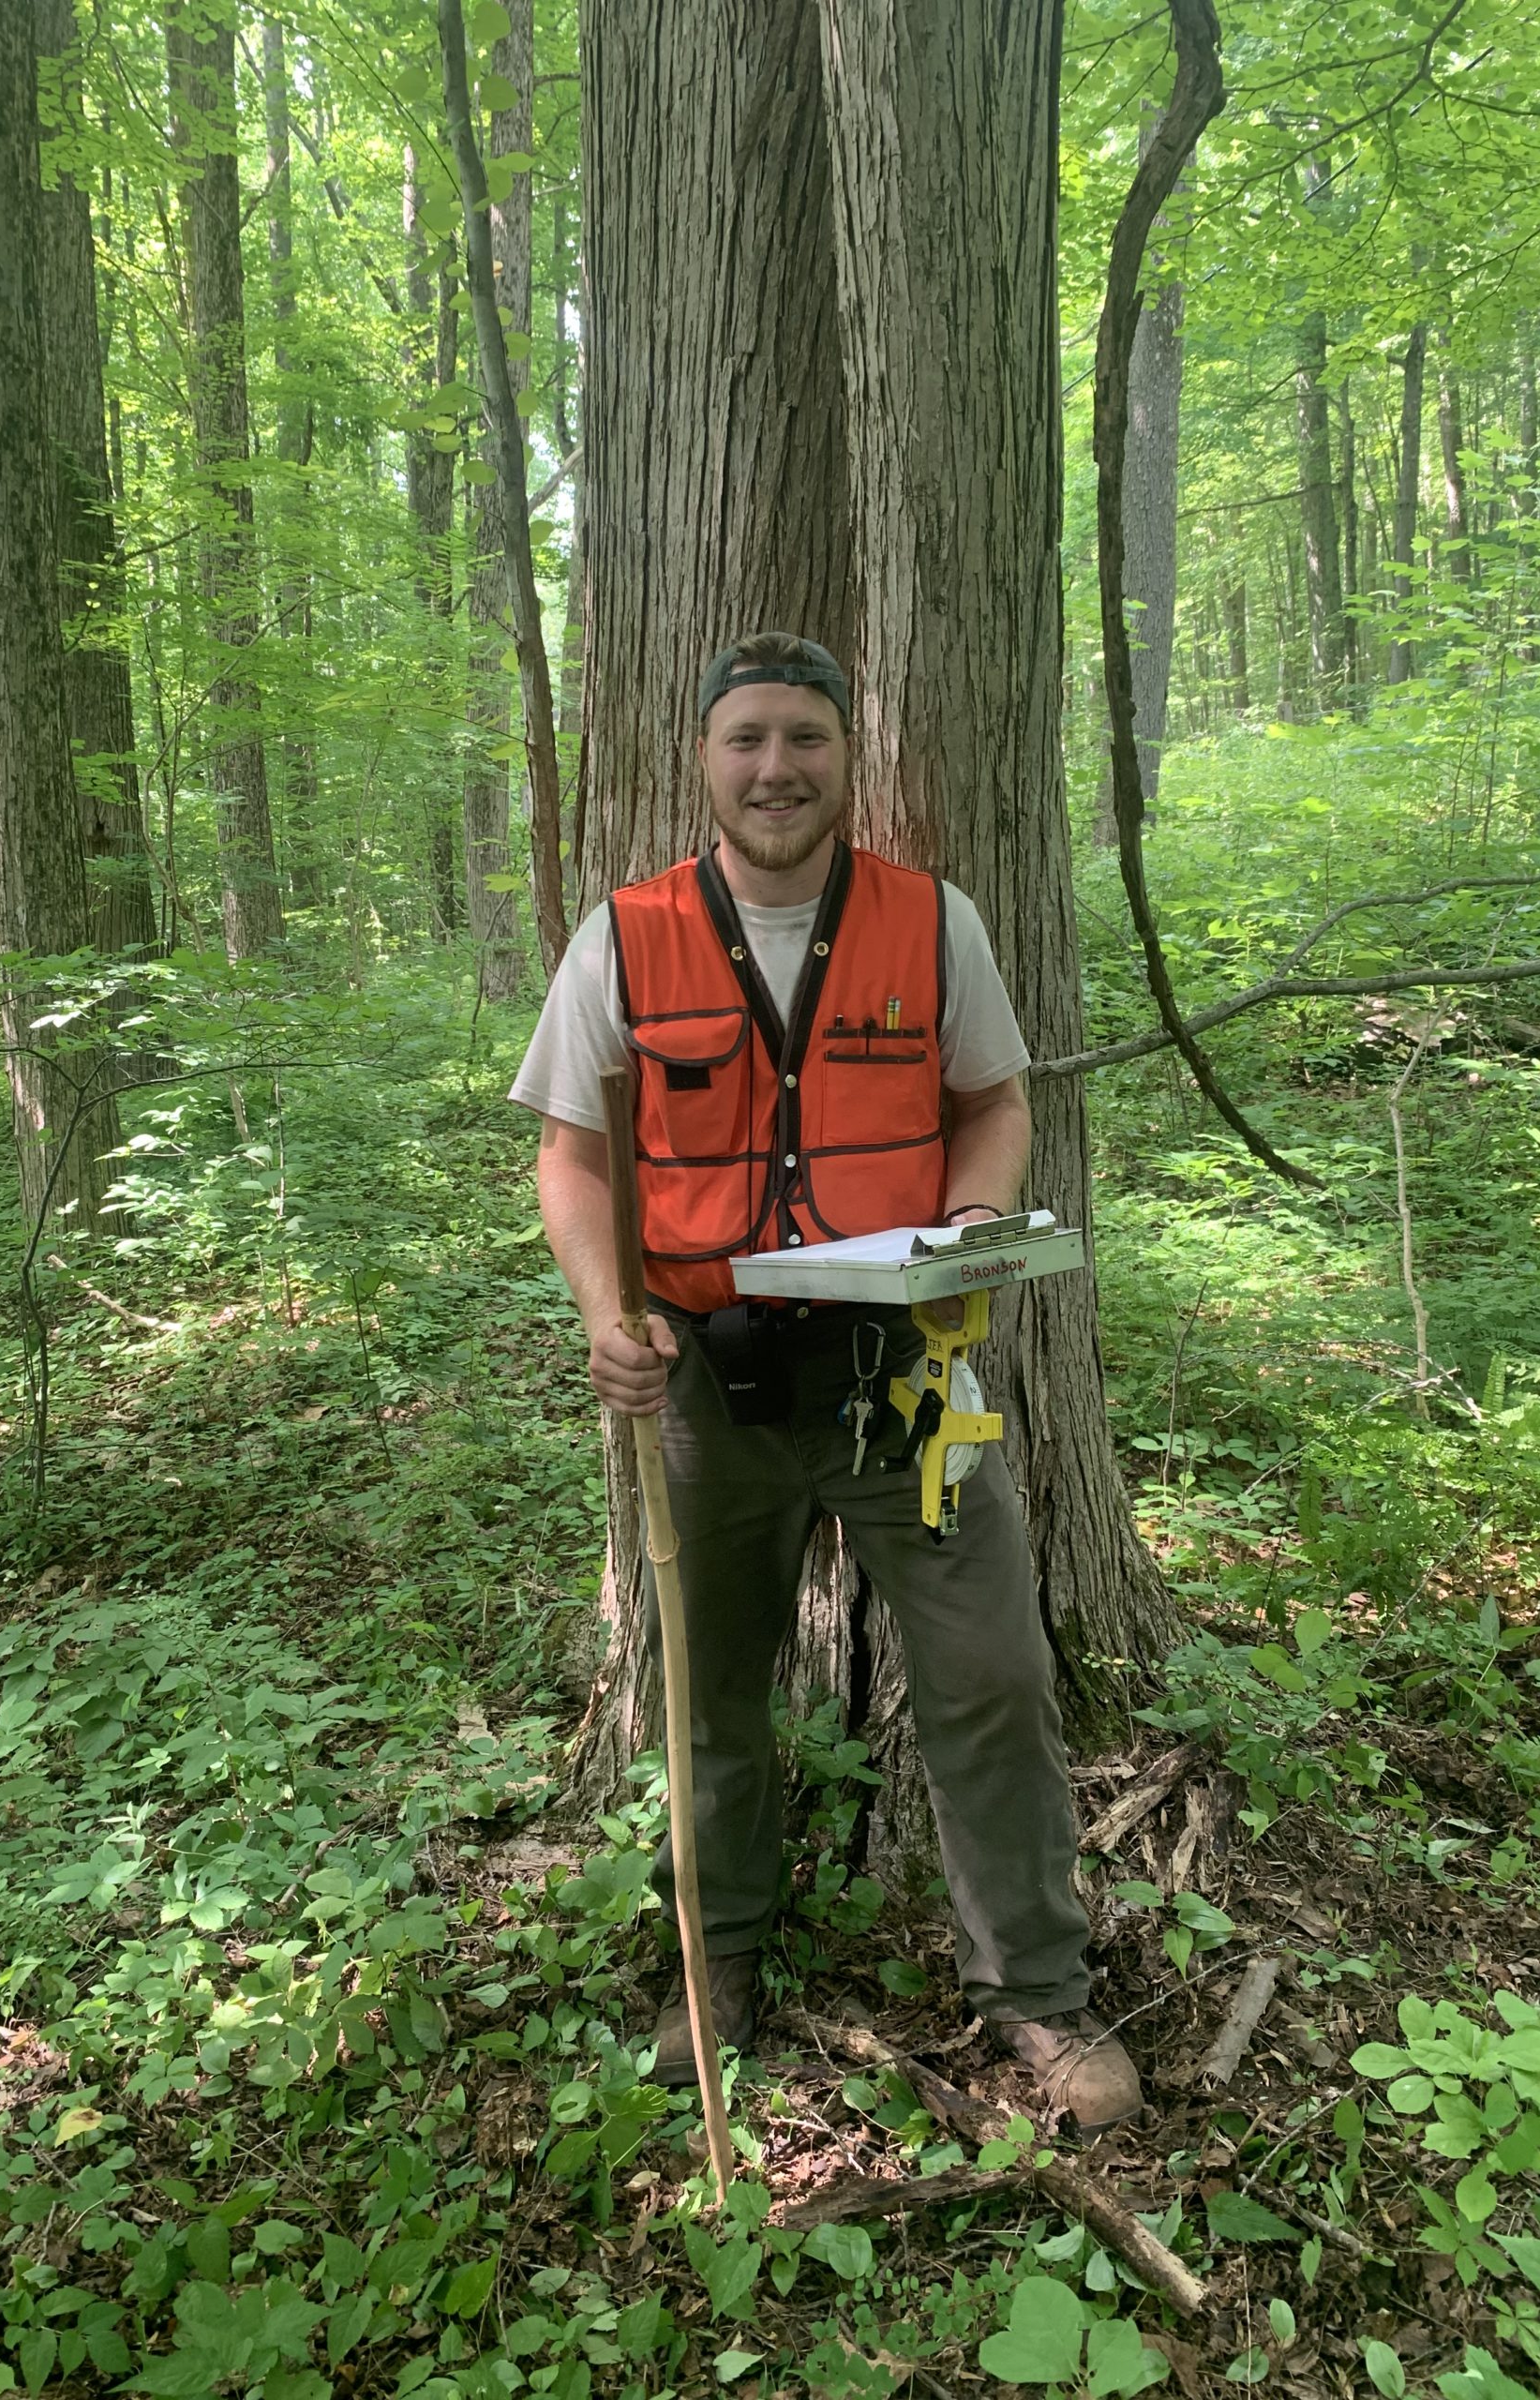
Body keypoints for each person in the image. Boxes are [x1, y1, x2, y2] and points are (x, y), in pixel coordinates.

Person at [508, 630, 1141, 2134]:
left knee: (993, 1676)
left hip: (905, 1384)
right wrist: (608, 1310)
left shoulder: (933, 925)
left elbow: (993, 1104)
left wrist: (982, 1217)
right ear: (704, 761)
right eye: (747, 741)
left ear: (852, 757)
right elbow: (570, 1157)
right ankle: (715, 1966)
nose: (775, 768)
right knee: (712, 1695)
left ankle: (1039, 2001)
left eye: (805, 739)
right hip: (710, 1398)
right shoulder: (624, 935)